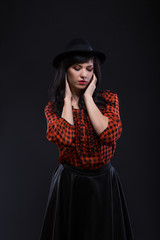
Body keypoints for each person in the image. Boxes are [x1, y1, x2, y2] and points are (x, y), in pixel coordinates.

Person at [39, 38, 134, 240]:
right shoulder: (53, 108)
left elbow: (109, 134)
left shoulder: (109, 99)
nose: (84, 74)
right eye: (77, 68)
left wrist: (88, 98)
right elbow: (65, 137)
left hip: (104, 183)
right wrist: (67, 99)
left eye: (89, 69)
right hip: (70, 184)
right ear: (65, 71)